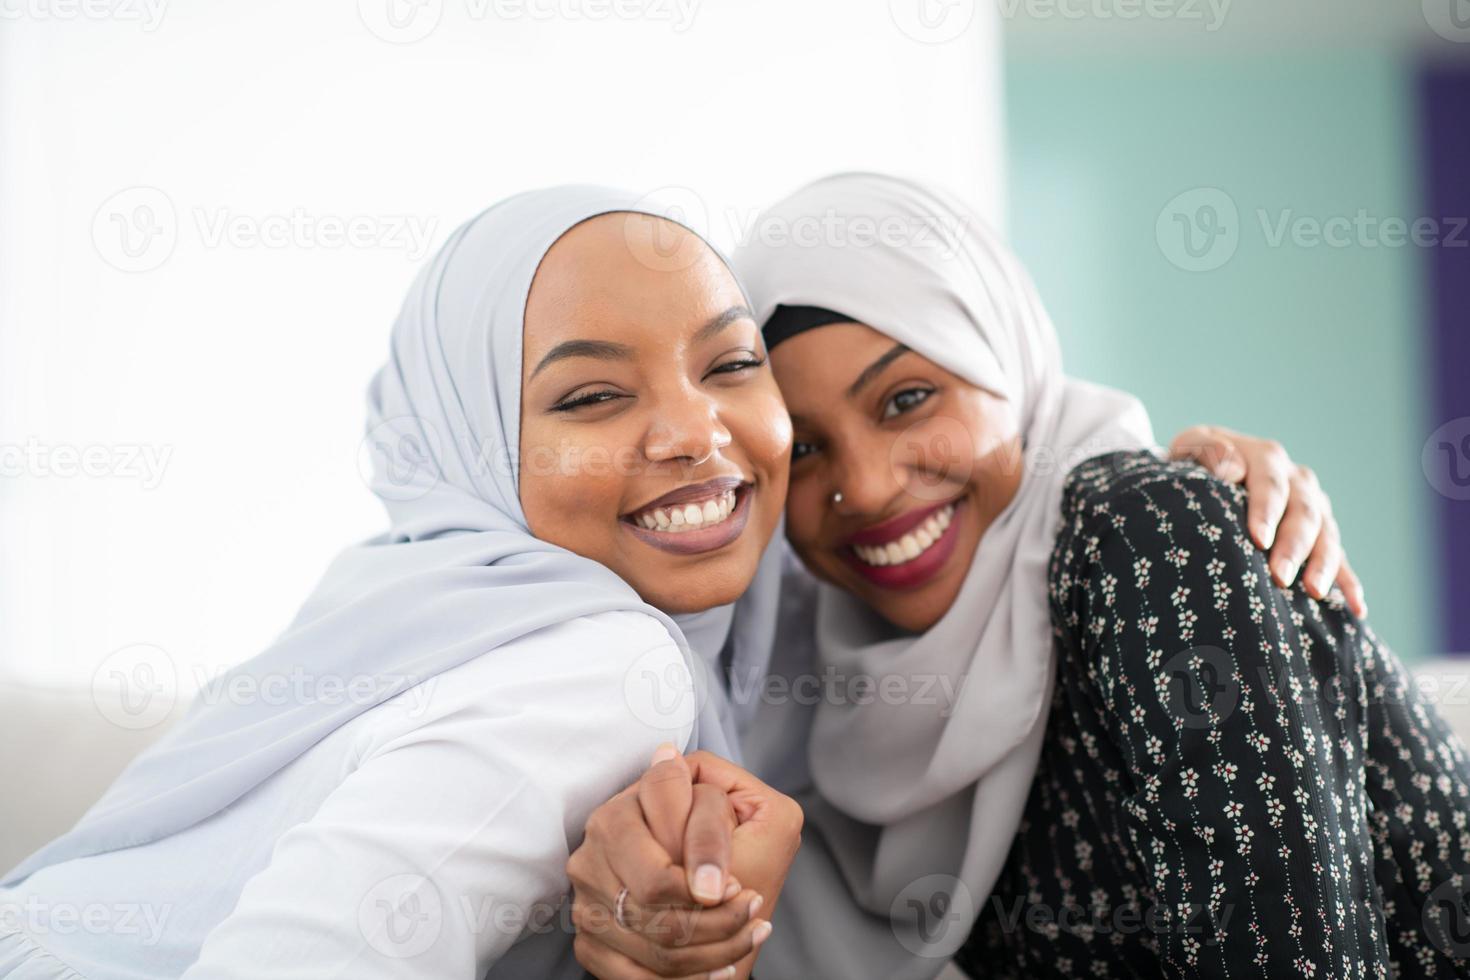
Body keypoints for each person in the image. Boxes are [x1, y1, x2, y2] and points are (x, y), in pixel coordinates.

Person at [568, 173, 1470, 979]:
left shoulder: (1146, 532)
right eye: (803, 448)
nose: (868, 488)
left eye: (909, 399)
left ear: (1013, 365)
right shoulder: (838, 662)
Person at [0, 187, 803, 979]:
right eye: (592, 397)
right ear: (466, 439)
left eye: (731, 364)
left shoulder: (392, 597)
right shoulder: (605, 662)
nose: (696, 432)